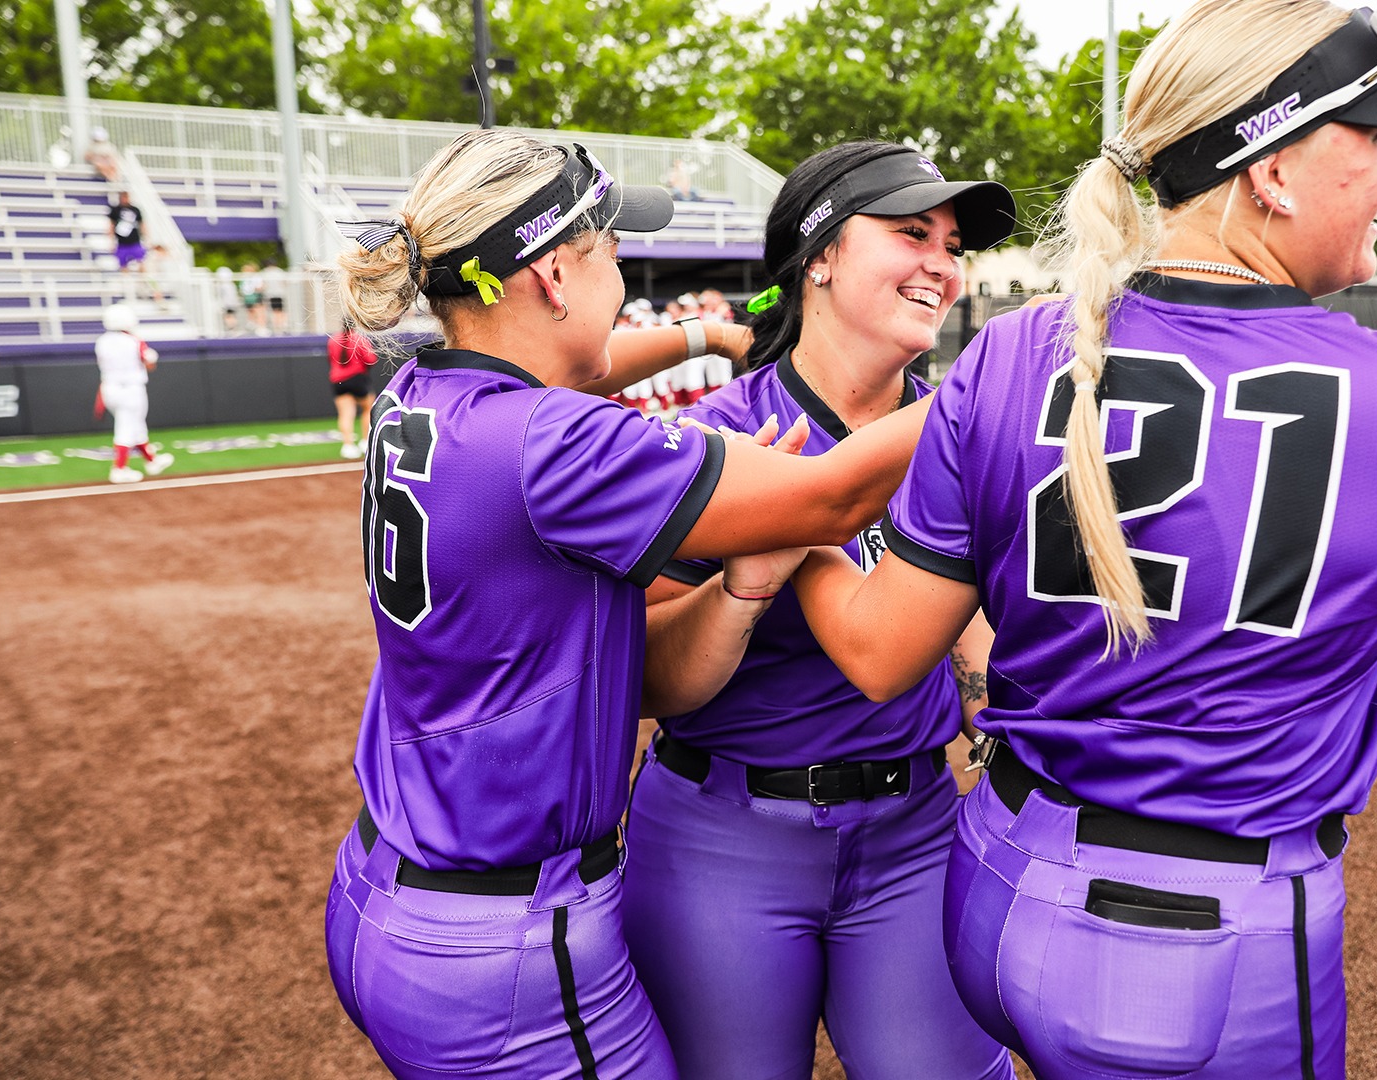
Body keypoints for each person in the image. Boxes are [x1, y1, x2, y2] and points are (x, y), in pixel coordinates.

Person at [767, 4, 1377, 1076]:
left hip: (1000, 890)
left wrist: (806, 531)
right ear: (1272, 170)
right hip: (1208, 939)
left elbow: (878, 653)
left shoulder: (1013, 352)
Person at [323, 128, 935, 1080]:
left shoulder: (419, 390)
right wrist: (1005, 372)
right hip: (509, 938)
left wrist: (706, 333)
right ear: (554, 278)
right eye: (609, 250)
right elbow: (834, 498)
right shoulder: (553, 444)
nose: (626, 268)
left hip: (385, 885)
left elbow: (580, 363)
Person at [622, 141, 1019, 1080]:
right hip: (722, 842)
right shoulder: (718, 437)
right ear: (823, 256)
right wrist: (743, 585)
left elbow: (973, 642)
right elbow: (646, 677)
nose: (941, 264)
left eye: (952, 244)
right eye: (911, 232)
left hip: (916, 829)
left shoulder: (963, 432)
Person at [94, 303, 175, 484]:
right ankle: (119, 469)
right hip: (131, 389)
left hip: (109, 388)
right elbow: (149, 363)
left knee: (135, 425)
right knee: (126, 428)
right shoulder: (134, 340)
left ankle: (152, 461)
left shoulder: (102, 341)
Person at [327, 317, 379, 459]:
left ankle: (348, 445)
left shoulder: (333, 340)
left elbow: (330, 359)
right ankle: (365, 441)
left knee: (345, 414)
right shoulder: (359, 339)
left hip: (339, 381)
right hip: (357, 379)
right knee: (368, 409)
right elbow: (371, 359)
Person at [108, 191, 146, 273]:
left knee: (141, 261)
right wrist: (111, 241)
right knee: (123, 264)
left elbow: (141, 224)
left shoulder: (135, 210)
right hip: (122, 242)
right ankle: (126, 282)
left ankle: (143, 281)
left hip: (135, 241)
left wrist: (145, 236)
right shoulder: (116, 210)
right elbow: (111, 225)